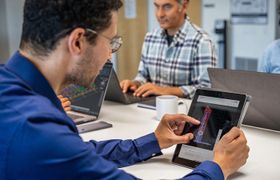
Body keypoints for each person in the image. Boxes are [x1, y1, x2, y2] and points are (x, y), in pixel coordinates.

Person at [0, 0, 249, 179]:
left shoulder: (11, 93)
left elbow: (82, 152)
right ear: (77, 41)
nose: (110, 54)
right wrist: (218, 167)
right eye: (111, 42)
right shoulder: (39, 131)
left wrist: (152, 141)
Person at [120, 0, 216, 99]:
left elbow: (205, 90)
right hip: (150, 109)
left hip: (182, 111)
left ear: (184, 5)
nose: (159, 14)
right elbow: (143, 76)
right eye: (157, 7)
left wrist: (164, 90)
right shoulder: (150, 37)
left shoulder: (202, 41)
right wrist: (135, 84)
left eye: (167, 7)